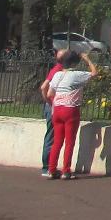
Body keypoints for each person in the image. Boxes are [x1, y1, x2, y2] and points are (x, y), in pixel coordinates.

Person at [42, 49, 96, 180]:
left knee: (57, 141)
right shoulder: (77, 75)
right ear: (74, 63)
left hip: (57, 109)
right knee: (69, 142)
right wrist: (87, 59)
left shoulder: (58, 75)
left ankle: (51, 169)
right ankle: (66, 170)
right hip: (70, 109)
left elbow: (49, 93)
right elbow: (94, 73)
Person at [39, 49, 65, 177]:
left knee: (51, 136)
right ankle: (46, 167)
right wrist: (49, 102)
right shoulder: (58, 70)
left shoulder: (57, 68)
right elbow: (44, 87)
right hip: (53, 106)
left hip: (52, 105)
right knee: (51, 137)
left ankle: (48, 166)